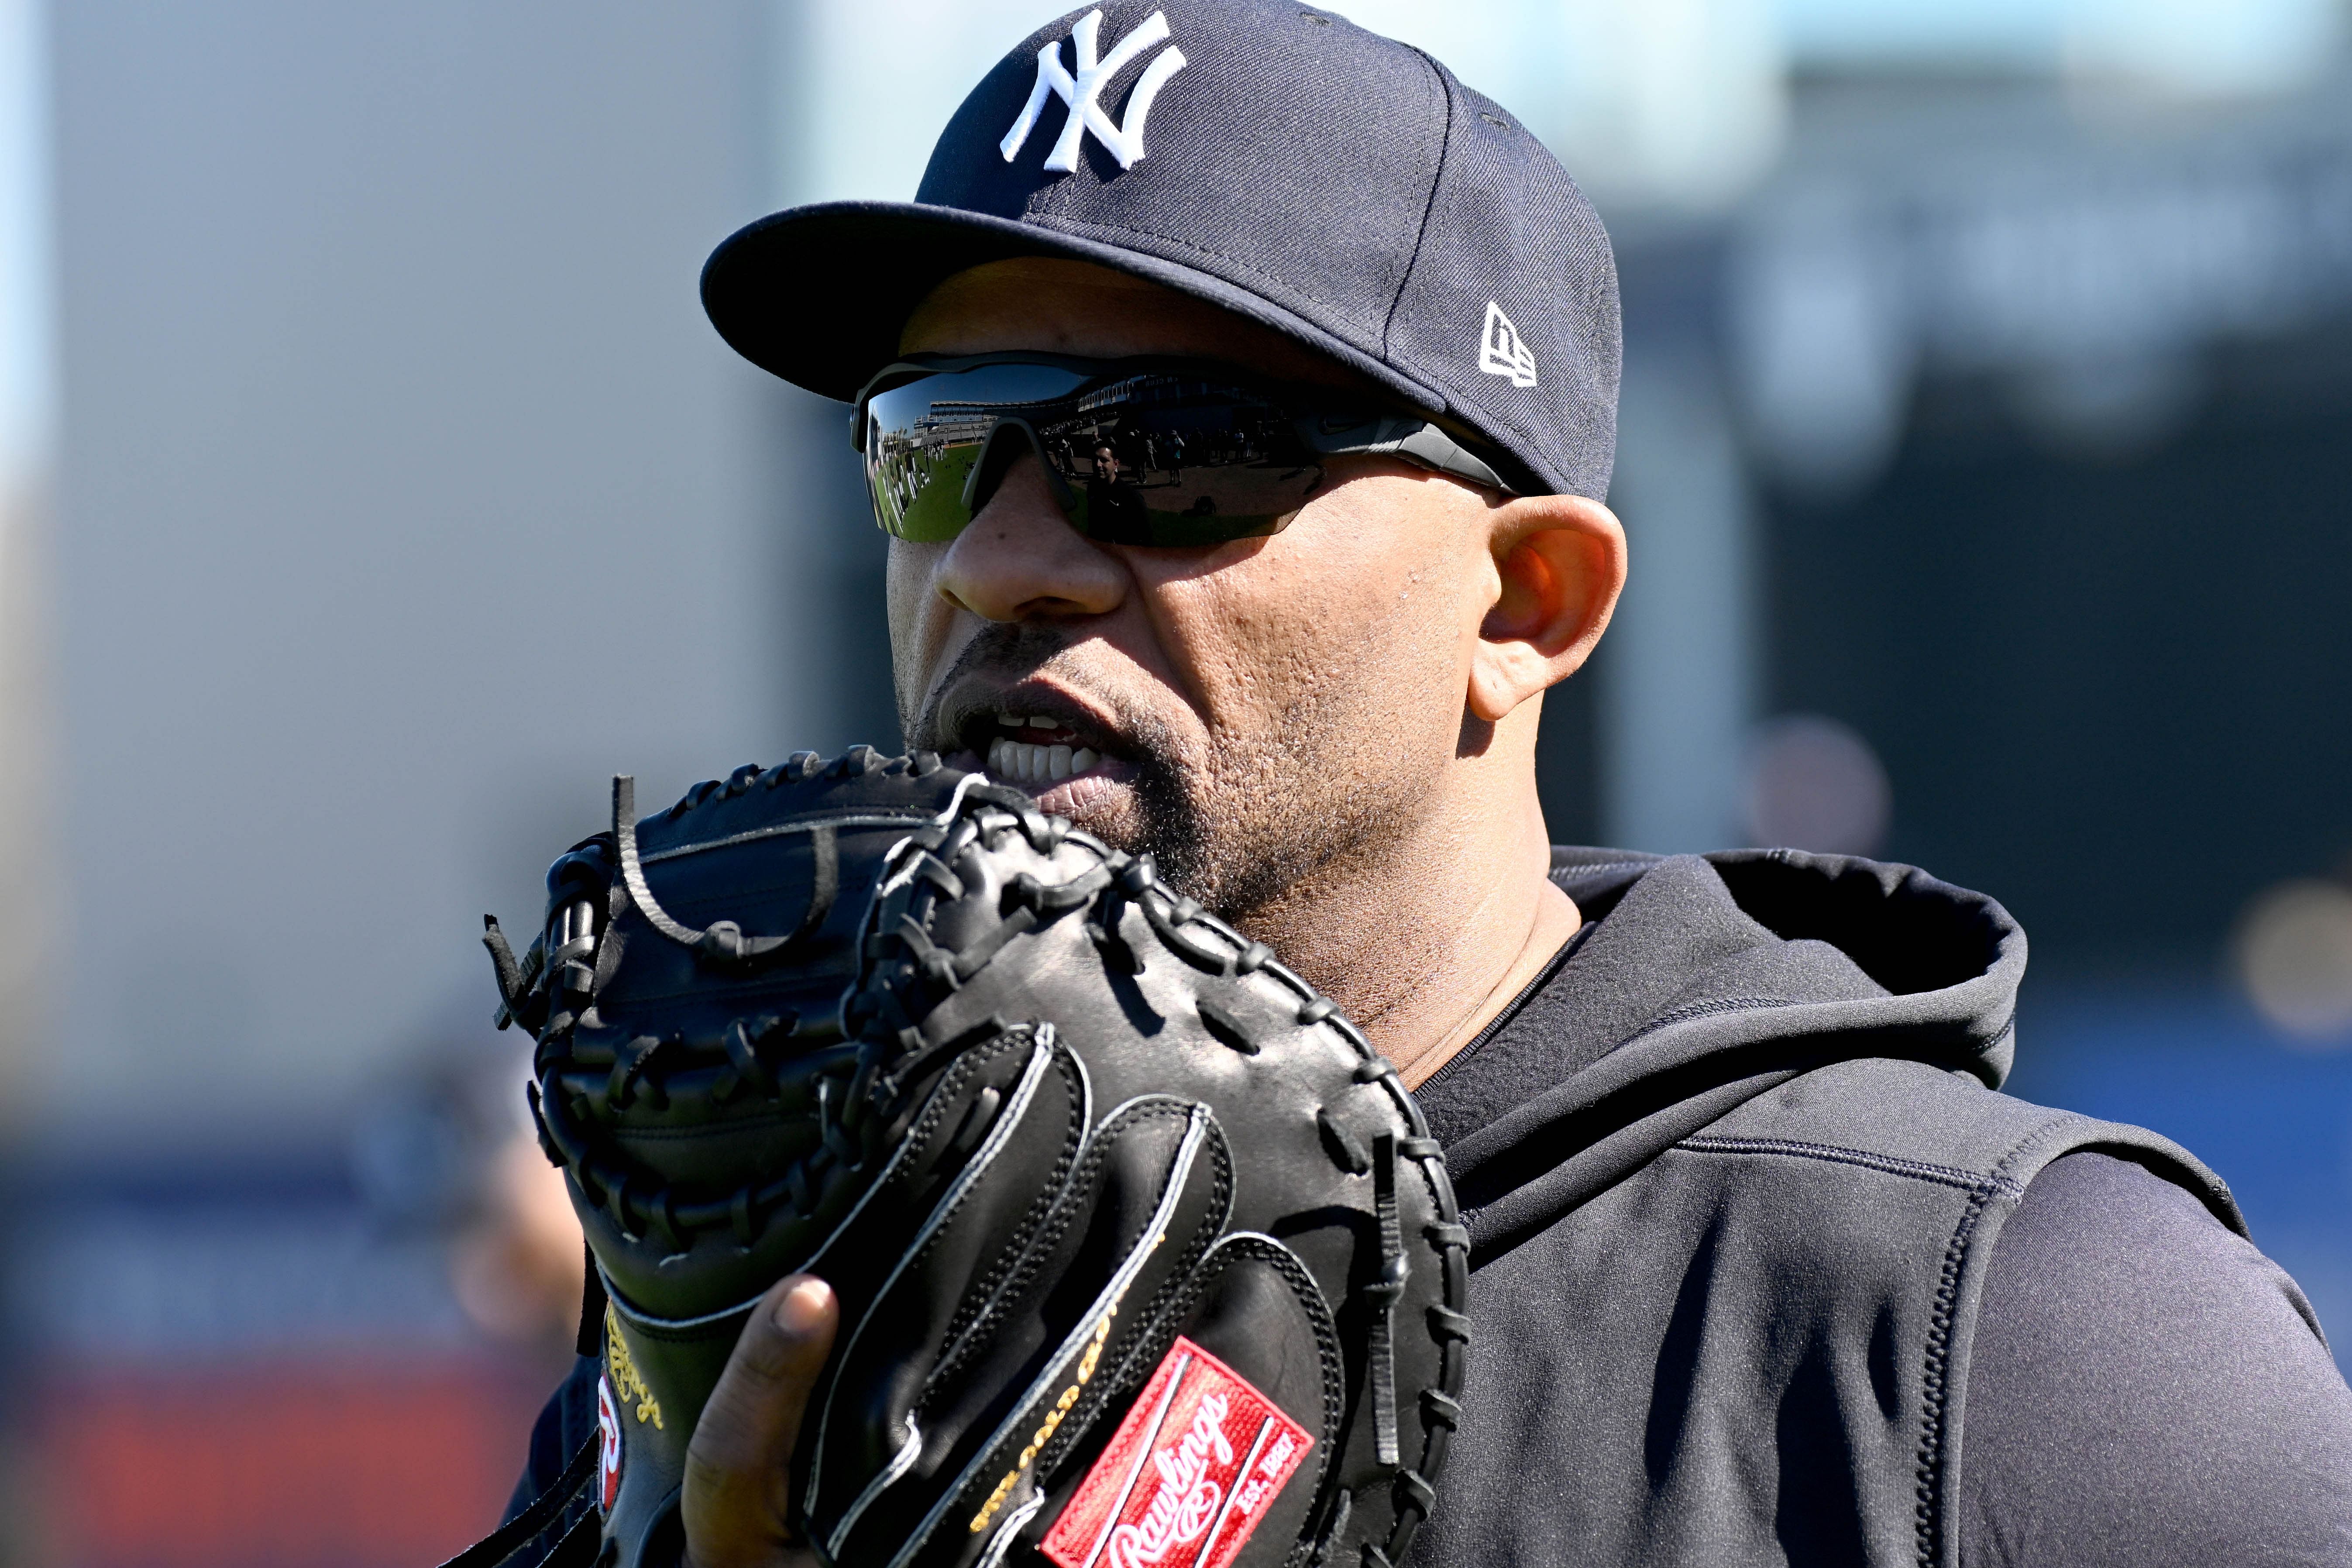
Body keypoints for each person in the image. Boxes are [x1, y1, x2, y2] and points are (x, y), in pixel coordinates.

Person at [506, 3, 2352, 1563]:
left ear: (1526, 602)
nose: (1000, 563)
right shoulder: (817, 1262)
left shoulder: (2011, 1334)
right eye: (936, 449)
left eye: (1174, 453)